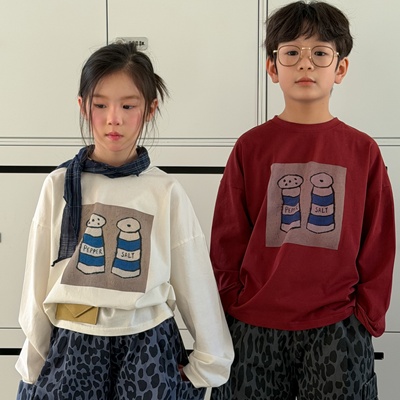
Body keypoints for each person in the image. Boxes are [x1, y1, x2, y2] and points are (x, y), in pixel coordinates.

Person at [15, 41, 234, 399]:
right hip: (72, 346)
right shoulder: (59, 185)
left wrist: (209, 363)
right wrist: (34, 362)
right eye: (100, 105)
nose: (113, 118)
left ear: (150, 109)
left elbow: (194, 277)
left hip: (147, 346)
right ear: (83, 107)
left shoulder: (165, 191)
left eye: (128, 105)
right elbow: (37, 281)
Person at [210, 2, 395, 399]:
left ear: (340, 68)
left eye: (320, 53)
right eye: (292, 52)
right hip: (255, 326)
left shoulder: (362, 150)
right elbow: (227, 239)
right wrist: (232, 307)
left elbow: (379, 242)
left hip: (337, 328)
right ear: (272, 67)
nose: (305, 64)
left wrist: (365, 317)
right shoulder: (250, 147)